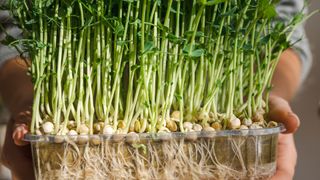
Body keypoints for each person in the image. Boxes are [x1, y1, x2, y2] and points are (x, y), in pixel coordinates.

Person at [0, 0, 312, 179]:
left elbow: (280, 24)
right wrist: (29, 101)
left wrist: (259, 98)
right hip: (75, 119)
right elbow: (10, 23)